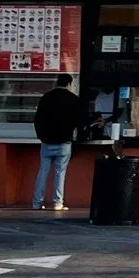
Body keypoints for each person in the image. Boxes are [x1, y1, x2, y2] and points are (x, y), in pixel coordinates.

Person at [31, 74, 83, 213]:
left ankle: (37, 202)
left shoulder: (46, 98)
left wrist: (41, 136)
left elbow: (37, 120)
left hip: (47, 141)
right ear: (69, 84)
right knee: (60, 173)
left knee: (43, 172)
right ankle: (57, 203)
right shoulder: (73, 99)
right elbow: (79, 121)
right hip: (64, 141)